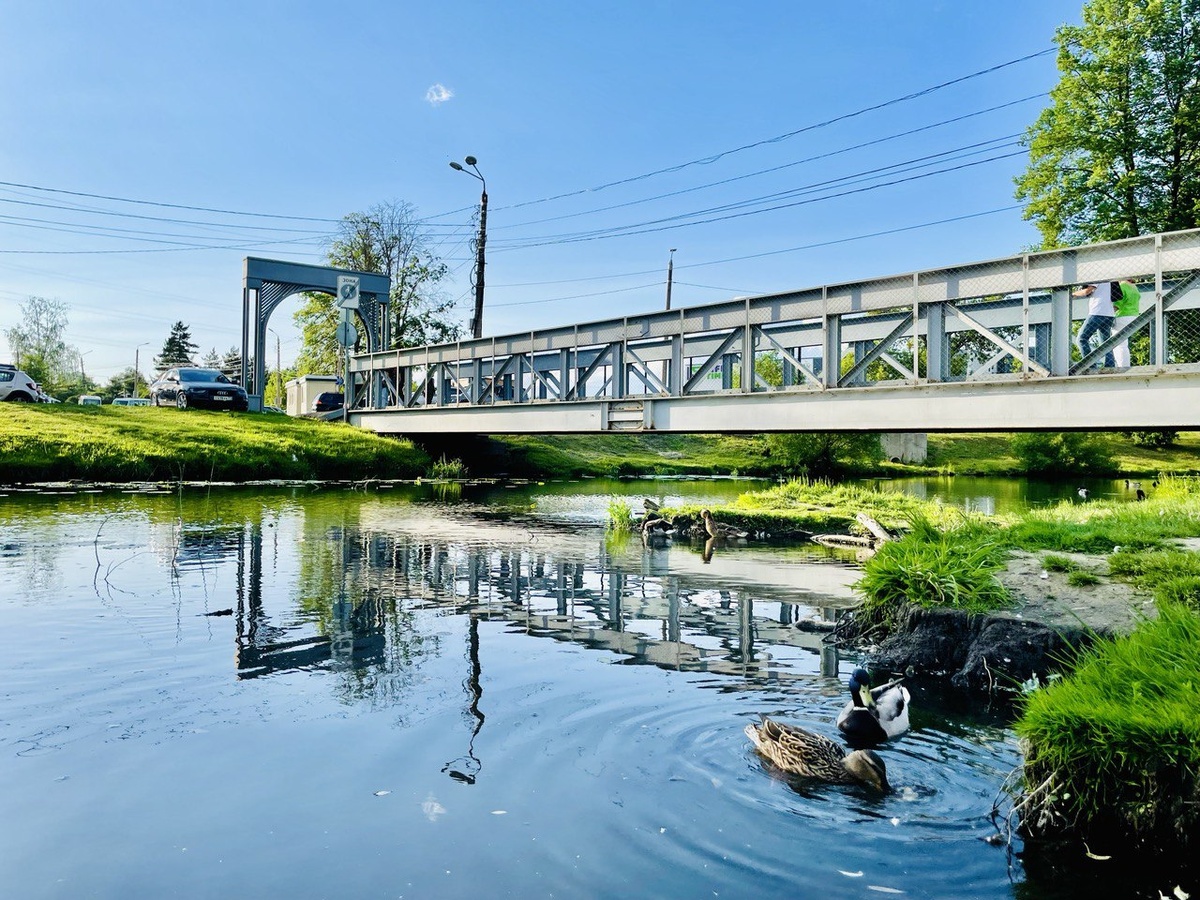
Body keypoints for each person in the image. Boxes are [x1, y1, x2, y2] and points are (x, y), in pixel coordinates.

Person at [1072, 281, 1117, 369]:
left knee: (1081, 339)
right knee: (1105, 343)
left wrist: (1073, 294)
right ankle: (1110, 366)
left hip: (1097, 312)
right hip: (1109, 314)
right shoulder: (1108, 277)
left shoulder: (1097, 276)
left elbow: (1087, 291)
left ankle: (1090, 365)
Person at [1112, 280, 1140, 368]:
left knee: (1119, 345)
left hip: (1122, 316)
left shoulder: (1122, 286)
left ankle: (1122, 366)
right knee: (1124, 344)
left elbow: (1117, 305)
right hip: (1134, 316)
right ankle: (1125, 365)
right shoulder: (1134, 287)